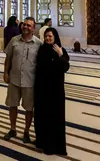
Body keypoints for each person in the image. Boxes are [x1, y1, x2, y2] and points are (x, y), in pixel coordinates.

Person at [3, 17, 42, 143]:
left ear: (33, 28)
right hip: (14, 79)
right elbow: (8, 58)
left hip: (29, 81)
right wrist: (5, 72)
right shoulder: (14, 40)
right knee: (12, 105)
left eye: (29, 25)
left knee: (29, 108)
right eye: (24, 25)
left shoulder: (38, 44)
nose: (25, 27)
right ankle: (13, 129)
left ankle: (26, 131)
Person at [34, 27, 69, 155]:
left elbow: (65, 67)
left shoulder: (61, 50)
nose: (48, 38)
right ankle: (42, 143)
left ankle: (55, 146)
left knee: (55, 118)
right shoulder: (41, 49)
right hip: (42, 90)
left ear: (55, 38)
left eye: (50, 36)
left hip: (56, 91)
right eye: (46, 36)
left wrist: (60, 54)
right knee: (42, 117)